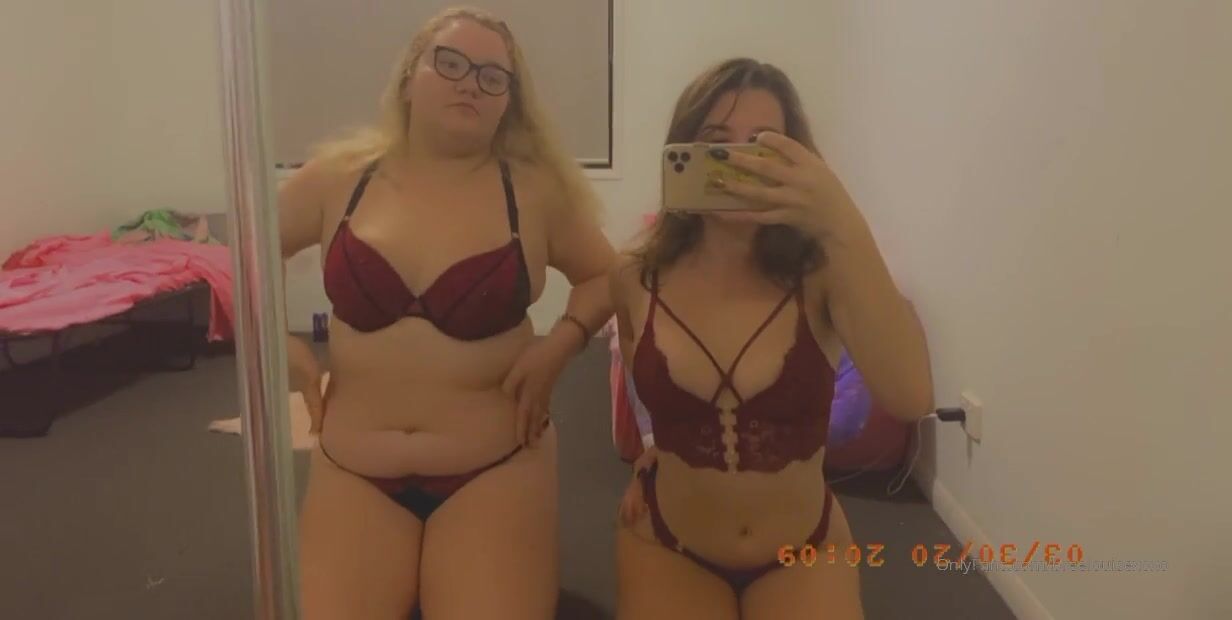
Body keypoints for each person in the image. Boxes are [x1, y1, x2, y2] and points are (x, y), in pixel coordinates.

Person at [277, 7, 615, 619]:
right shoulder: (339, 178)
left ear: (508, 101)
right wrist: (279, 343)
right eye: (451, 63)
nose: (470, 84)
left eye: (492, 76)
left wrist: (562, 342)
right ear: (411, 76)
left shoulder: (534, 191)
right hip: (354, 466)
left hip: (494, 465)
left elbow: (606, 276)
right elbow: (239, 259)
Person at [609, 58, 934, 620]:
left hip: (803, 549)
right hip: (667, 542)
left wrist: (841, 219)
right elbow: (640, 372)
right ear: (682, 151)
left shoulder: (823, 272)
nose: (739, 163)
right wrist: (653, 442)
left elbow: (911, 396)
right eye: (716, 143)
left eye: (761, 146)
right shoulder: (636, 275)